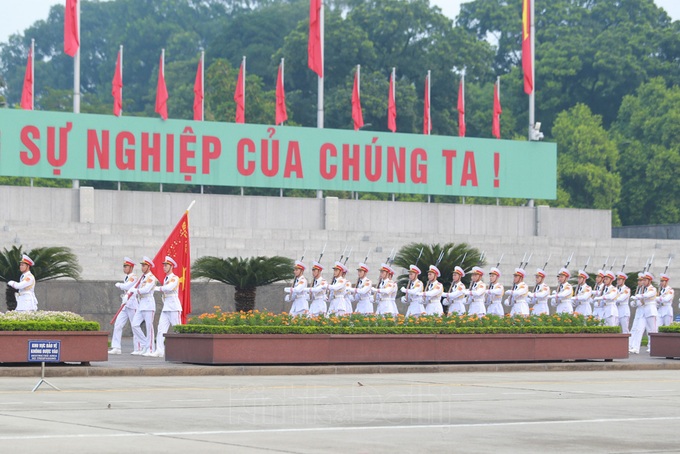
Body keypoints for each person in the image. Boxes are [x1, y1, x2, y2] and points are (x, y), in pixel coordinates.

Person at [148, 256, 183, 357]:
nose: (164, 267)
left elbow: (169, 288)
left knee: (177, 329)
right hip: (166, 306)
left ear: (171, 266)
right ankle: (159, 350)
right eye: (163, 265)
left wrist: (156, 288)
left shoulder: (175, 278)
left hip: (174, 307)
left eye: (166, 265)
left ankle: (181, 349)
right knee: (160, 329)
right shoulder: (166, 278)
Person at [109, 257, 140, 355]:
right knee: (118, 325)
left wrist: (119, 285)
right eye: (124, 266)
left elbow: (127, 286)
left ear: (131, 267)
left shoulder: (134, 277)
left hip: (132, 304)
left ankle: (138, 347)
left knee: (135, 326)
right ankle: (116, 347)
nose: (124, 268)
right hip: (125, 304)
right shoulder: (126, 277)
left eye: (126, 266)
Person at [130, 256, 157, 355]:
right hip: (141, 303)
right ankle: (145, 344)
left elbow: (146, 290)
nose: (142, 267)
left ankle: (150, 349)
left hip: (149, 303)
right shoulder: (143, 278)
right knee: (135, 324)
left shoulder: (151, 277)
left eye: (144, 265)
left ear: (149, 267)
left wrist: (135, 291)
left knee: (149, 327)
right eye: (142, 265)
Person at [630, 271, 658, 352]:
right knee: (639, 328)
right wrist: (635, 301)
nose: (643, 282)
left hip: (651, 310)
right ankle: (636, 347)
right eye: (643, 280)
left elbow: (647, 295)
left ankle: (653, 347)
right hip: (644, 311)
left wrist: (638, 296)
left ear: (649, 281)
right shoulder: (642, 289)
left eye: (645, 280)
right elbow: (641, 301)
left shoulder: (653, 289)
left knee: (652, 330)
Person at [628, 273, 646, 354]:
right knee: (634, 328)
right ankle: (630, 345)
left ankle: (636, 347)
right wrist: (634, 303)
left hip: (645, 312)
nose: (639, 282)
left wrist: (638, 302)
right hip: (639, 311)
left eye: (641, 280)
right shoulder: (638, 289)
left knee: (640, 329)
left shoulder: (646, 289)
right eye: (638, 280)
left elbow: (644, 301)